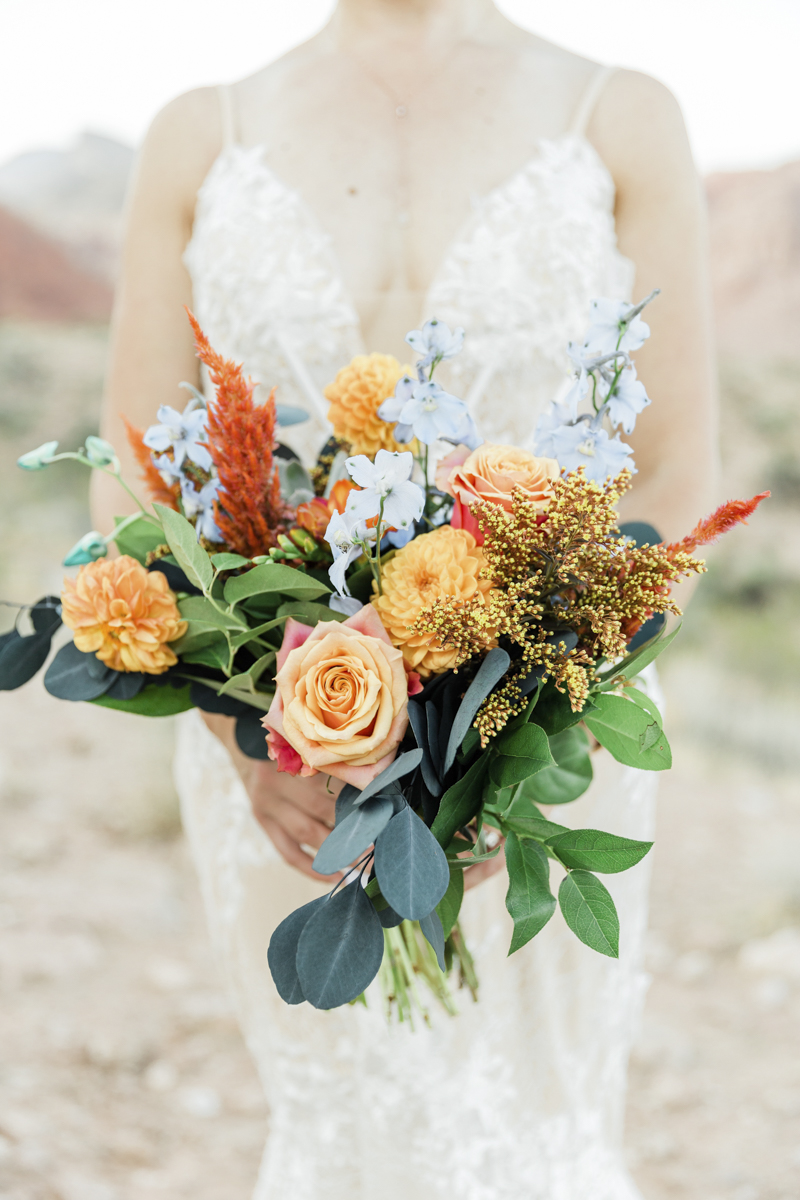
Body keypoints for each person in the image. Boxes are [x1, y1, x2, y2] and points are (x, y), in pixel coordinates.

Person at [92, 1, 718, 1195]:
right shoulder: (198, 135)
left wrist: (511, 733)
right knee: (339, 1126)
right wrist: (249, 738)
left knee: (537, 1127)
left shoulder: (620, 116)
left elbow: (677, 478)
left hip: (552, 737)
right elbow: (129, 482)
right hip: (283, 756)